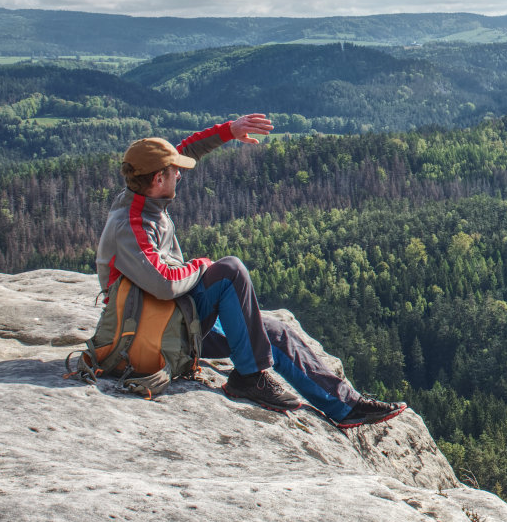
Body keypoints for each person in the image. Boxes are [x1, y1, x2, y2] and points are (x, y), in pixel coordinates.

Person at [95, 114, 406, 429]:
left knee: (272, 332)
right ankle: (248, 377)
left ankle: (345, 407)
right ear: (158, 180)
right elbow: (163, 283)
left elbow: (185, 150)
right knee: (229, 270)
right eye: (174, 172)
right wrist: (200, 266)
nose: (180, 175)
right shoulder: (130, 224)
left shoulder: (144, 194)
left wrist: (229, 131)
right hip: (152, 336)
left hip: (175, 319)